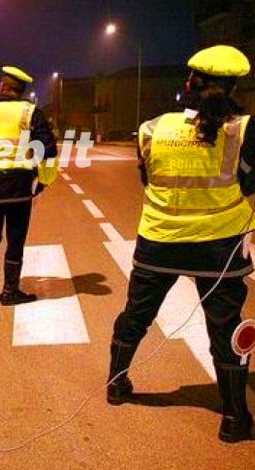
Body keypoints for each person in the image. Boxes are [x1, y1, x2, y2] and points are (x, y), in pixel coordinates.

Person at [107, 45, 255, 444]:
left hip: (159, 242)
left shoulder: (152, 128)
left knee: (136, 315)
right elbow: (251, 184)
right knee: (225, 328)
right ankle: (234, 418)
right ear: (234, 88)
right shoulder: (242, 130)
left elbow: (147, 180)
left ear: (189, 83)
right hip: (218, 248)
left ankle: (116, 385)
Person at [0, 66, 58, 307]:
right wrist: (44, 181)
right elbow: (48, 150)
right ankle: (10, 291)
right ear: (19, 90)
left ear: (1, 86)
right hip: (19, 183)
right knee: (15, 239)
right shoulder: (30, 112)